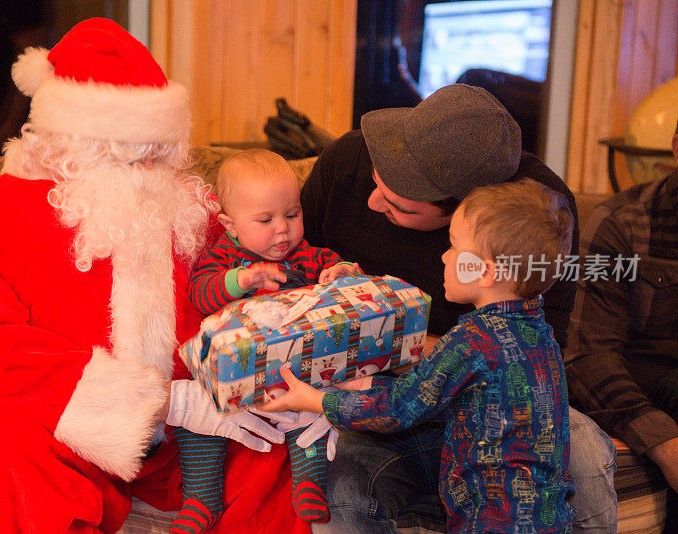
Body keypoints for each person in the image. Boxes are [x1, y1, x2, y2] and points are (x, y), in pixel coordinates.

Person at [0, 19, 311, 534]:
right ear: (69, 139)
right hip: (54, 430)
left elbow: (261, 302)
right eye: (127, 148)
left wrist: (234, 390)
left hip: (195, 444)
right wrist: (167, 401)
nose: (149, 165)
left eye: (160, 148)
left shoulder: (201, 212)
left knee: (283, 445)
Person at [300, 83, 618, 532]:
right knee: (342, 482)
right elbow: (293, 273)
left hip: (485, 405)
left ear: (464, 209)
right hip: (378, 396)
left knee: (584, 457)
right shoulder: (348, 160)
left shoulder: (533, 212)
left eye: (397, 204)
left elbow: (543, 357)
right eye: (376, 185)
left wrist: (396, 342)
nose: (373, 203)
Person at [266, 178, 576, 532]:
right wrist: (363, 381)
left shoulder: (472, 341)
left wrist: (317, 401)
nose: (444, 255)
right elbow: (433, 386)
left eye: (455, 247)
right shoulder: (540, 333)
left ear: (486, 271)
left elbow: (400, 408)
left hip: (489, 520)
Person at [181, 149, 360, 531]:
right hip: (235, 373)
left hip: (295, 375)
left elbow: (336, 268)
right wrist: (242, 281)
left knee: (319, 408)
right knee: (190, 412)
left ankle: (309, 484)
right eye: (265, 219)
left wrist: (342, 272)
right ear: (230, 225)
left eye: (292, 215)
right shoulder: (226, 258)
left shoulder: (308, 257)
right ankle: (201, 497)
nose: (283, 229)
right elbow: (199, 293)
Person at [564, 118, 678, 533]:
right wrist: (667, 446)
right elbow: (587, 359)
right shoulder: (622, 224)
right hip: (648, 385)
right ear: (676, 150)